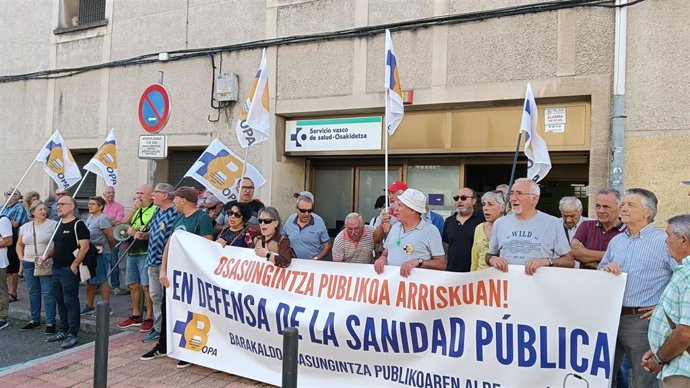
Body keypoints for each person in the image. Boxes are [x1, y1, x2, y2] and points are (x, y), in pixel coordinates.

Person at [599, 188, 677, 388]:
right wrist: (605, 269)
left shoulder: (663, 242)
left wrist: (663, 308)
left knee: (644, 380)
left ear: (648, 212)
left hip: (642, 322)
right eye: (623, 204)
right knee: (603, 376)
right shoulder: (616, 241)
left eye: (630, 205)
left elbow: (682, 278)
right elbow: (599, 271)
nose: (623, 208)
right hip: (609, 317)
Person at [140, 186, 214, 369]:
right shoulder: (180, 217)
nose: (173, 201)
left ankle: (190, 348)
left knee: (192, 311)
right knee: (168, 307)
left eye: (176, 198)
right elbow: (169, 243)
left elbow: (208, 244)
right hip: (175, 272)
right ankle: (163, 345)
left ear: (184, 200)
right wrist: (164, 270)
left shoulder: (201, 217)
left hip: (192, 274)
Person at [486, 178, 574, 274]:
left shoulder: (553, 223)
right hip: (508, 285)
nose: (513, 198)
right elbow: (489, 255)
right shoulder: (500, 223)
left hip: (538, 286)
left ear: (534, 198)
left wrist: (547, 261)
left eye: (519, 193)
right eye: (511, 193)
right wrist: (492, 260)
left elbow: (569, 261)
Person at [642, 214, 690, 386]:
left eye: (668, 235)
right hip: (676, 364)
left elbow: (685, 332)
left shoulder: (688, 276)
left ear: (683, 241)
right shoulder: (683, 271)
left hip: (683, 372)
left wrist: (658, 359)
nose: (665, 241)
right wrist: (658, 349)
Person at [47, 195, 89, 349]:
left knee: (70, 301)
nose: (58, 207)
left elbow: (84, 246)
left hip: (68, 269)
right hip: (56, 268)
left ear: (71, 206)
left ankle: (72, 333)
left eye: (62, 204)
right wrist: (46, 256)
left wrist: (75, 263)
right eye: (57, 204)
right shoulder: (58, 224)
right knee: (59, 299)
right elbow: (55, 246)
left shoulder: (78, 225)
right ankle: (63, 329)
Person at [374, 189, 446, 277]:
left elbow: (441, 264)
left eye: (400, 205)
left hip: (415, 288)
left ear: (412, 210)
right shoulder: (395, 227)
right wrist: (382, 258)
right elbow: (386, 251)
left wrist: (419, 262)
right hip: (392, 286)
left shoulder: (431, 231)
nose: (395, 209)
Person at [140, 183, 177, 344]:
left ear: (166, 195)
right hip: (152, 260)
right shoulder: (156, 211)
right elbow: (155, 233)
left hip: (167, 263)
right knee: (155, 296)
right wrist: (145, 235)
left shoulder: (175, 212)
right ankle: (158, 328)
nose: (152, 195)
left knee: (166, 298)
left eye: (156, 192)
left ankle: (168, 330)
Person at [117, 184, 157, 332]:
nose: (138, 196)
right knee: (133, 284)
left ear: (150, 195)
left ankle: (149, 317)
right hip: (132, 251)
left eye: (141, 193)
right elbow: (121, 225)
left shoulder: (155, 209)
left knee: (146, 286)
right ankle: (135, 315)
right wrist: (134, 209)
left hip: (145, 252)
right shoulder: (136, 209)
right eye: (137, 192)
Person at [16, 200, 58, 333]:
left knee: (47, 291)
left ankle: (51, 322)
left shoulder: (53, 224)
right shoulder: (25, 227)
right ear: (33, 212)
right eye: (40, 209)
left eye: (45, 209)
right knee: (33, 291)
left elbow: (55, 244)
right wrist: (21, 258)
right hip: (28, 262)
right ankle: (35, 319)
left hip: (44, 261)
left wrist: (47, 255)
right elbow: (19, 244)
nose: (44, 211)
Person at [571, 188, 627, 270]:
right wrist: (609, 257)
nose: (600, 211)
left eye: (606, 207)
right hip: (586, 281)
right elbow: (574, 251)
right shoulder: (586, 226)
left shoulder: (627, 231)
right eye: (598, 206)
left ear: (620, 207)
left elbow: (626, 260)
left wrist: (587, 257)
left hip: (614, 281)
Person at [80, 196, 114, 316]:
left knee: (101, 279)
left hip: (101, 253)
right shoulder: (90, 218)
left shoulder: (102, 219)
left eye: (93, 204)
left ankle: (106, 307)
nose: (90, 206)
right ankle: (89, 305)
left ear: (100, 206)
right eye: (89, 204)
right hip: (90, 252)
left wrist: (109, 249)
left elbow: (110, 237)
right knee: (90, 280)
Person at [443, 187, 485, 272]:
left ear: (473, 201)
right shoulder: (449, 221)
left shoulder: (483, 219)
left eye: (463, 198)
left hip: (476, 273)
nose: (459, 201)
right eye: (456, 198)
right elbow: (446, 246)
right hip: (452, 272)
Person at [282, 191, 331, 260]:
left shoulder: (319, 221)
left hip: (312, 266)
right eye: (303, 210)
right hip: (292, 264)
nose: (306, 214)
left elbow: (327, 246)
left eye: (309, 211)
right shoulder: (290, 219)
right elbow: (283, 239)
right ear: (296, 208)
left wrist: (316, 258)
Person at [1, 187, 28, 303]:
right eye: (6, 193)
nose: (7, 195)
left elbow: (16, 224)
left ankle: (13, 292)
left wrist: (5, 220)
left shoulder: (19, 208)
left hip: (14, 238)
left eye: (10, 193)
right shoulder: (2, 207)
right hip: (2, 237)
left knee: (13, 267)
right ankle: (4, 292)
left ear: (17, 197)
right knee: (4, 267)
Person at [471, 191, 506, 271]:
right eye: (484, 204)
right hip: (480, 278)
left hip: (501, 278)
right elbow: (475, 256)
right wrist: (472, 276)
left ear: (502, 207)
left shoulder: (509, 228)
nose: (485, 208)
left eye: (490, 204)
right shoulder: (479, 228)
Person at [103, 186, 127, 294]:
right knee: (100, 263)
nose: (110, 195)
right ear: (104, 194)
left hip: (113, 238)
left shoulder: (119, 207)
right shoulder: (100, 206)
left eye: (112, 193)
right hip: (100, 238)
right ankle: (100, 285)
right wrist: (110, 220)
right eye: (108, 193)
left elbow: (119, 222)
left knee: (114, 262)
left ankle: (115, 286)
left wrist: (104, 221)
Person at [0, 213, 13, 330]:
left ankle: (2, 318)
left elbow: (8, 241)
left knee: (1, 291)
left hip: (0, 262)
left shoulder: (3, 220)